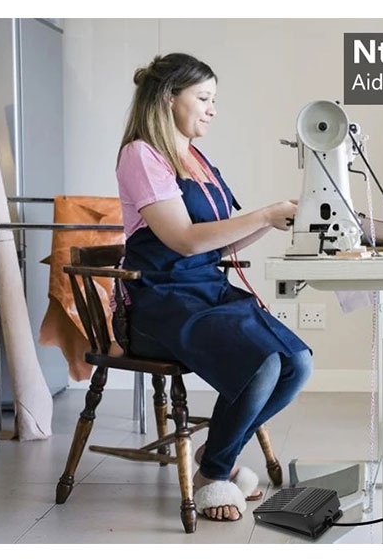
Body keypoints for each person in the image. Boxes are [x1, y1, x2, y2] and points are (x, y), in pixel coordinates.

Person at [115, 52, 312, 522]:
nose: (212, 110)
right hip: (160, 301)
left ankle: (215, 454)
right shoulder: (142, 155)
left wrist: (272, 219)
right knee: (260, 363)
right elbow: (184, 240)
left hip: (206, 291)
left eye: (213, 100)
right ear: (169, 98)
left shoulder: (195, 158)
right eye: (203, 98)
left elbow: (218, 241)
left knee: (296, 363)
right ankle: (213, 475)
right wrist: (263, 214)